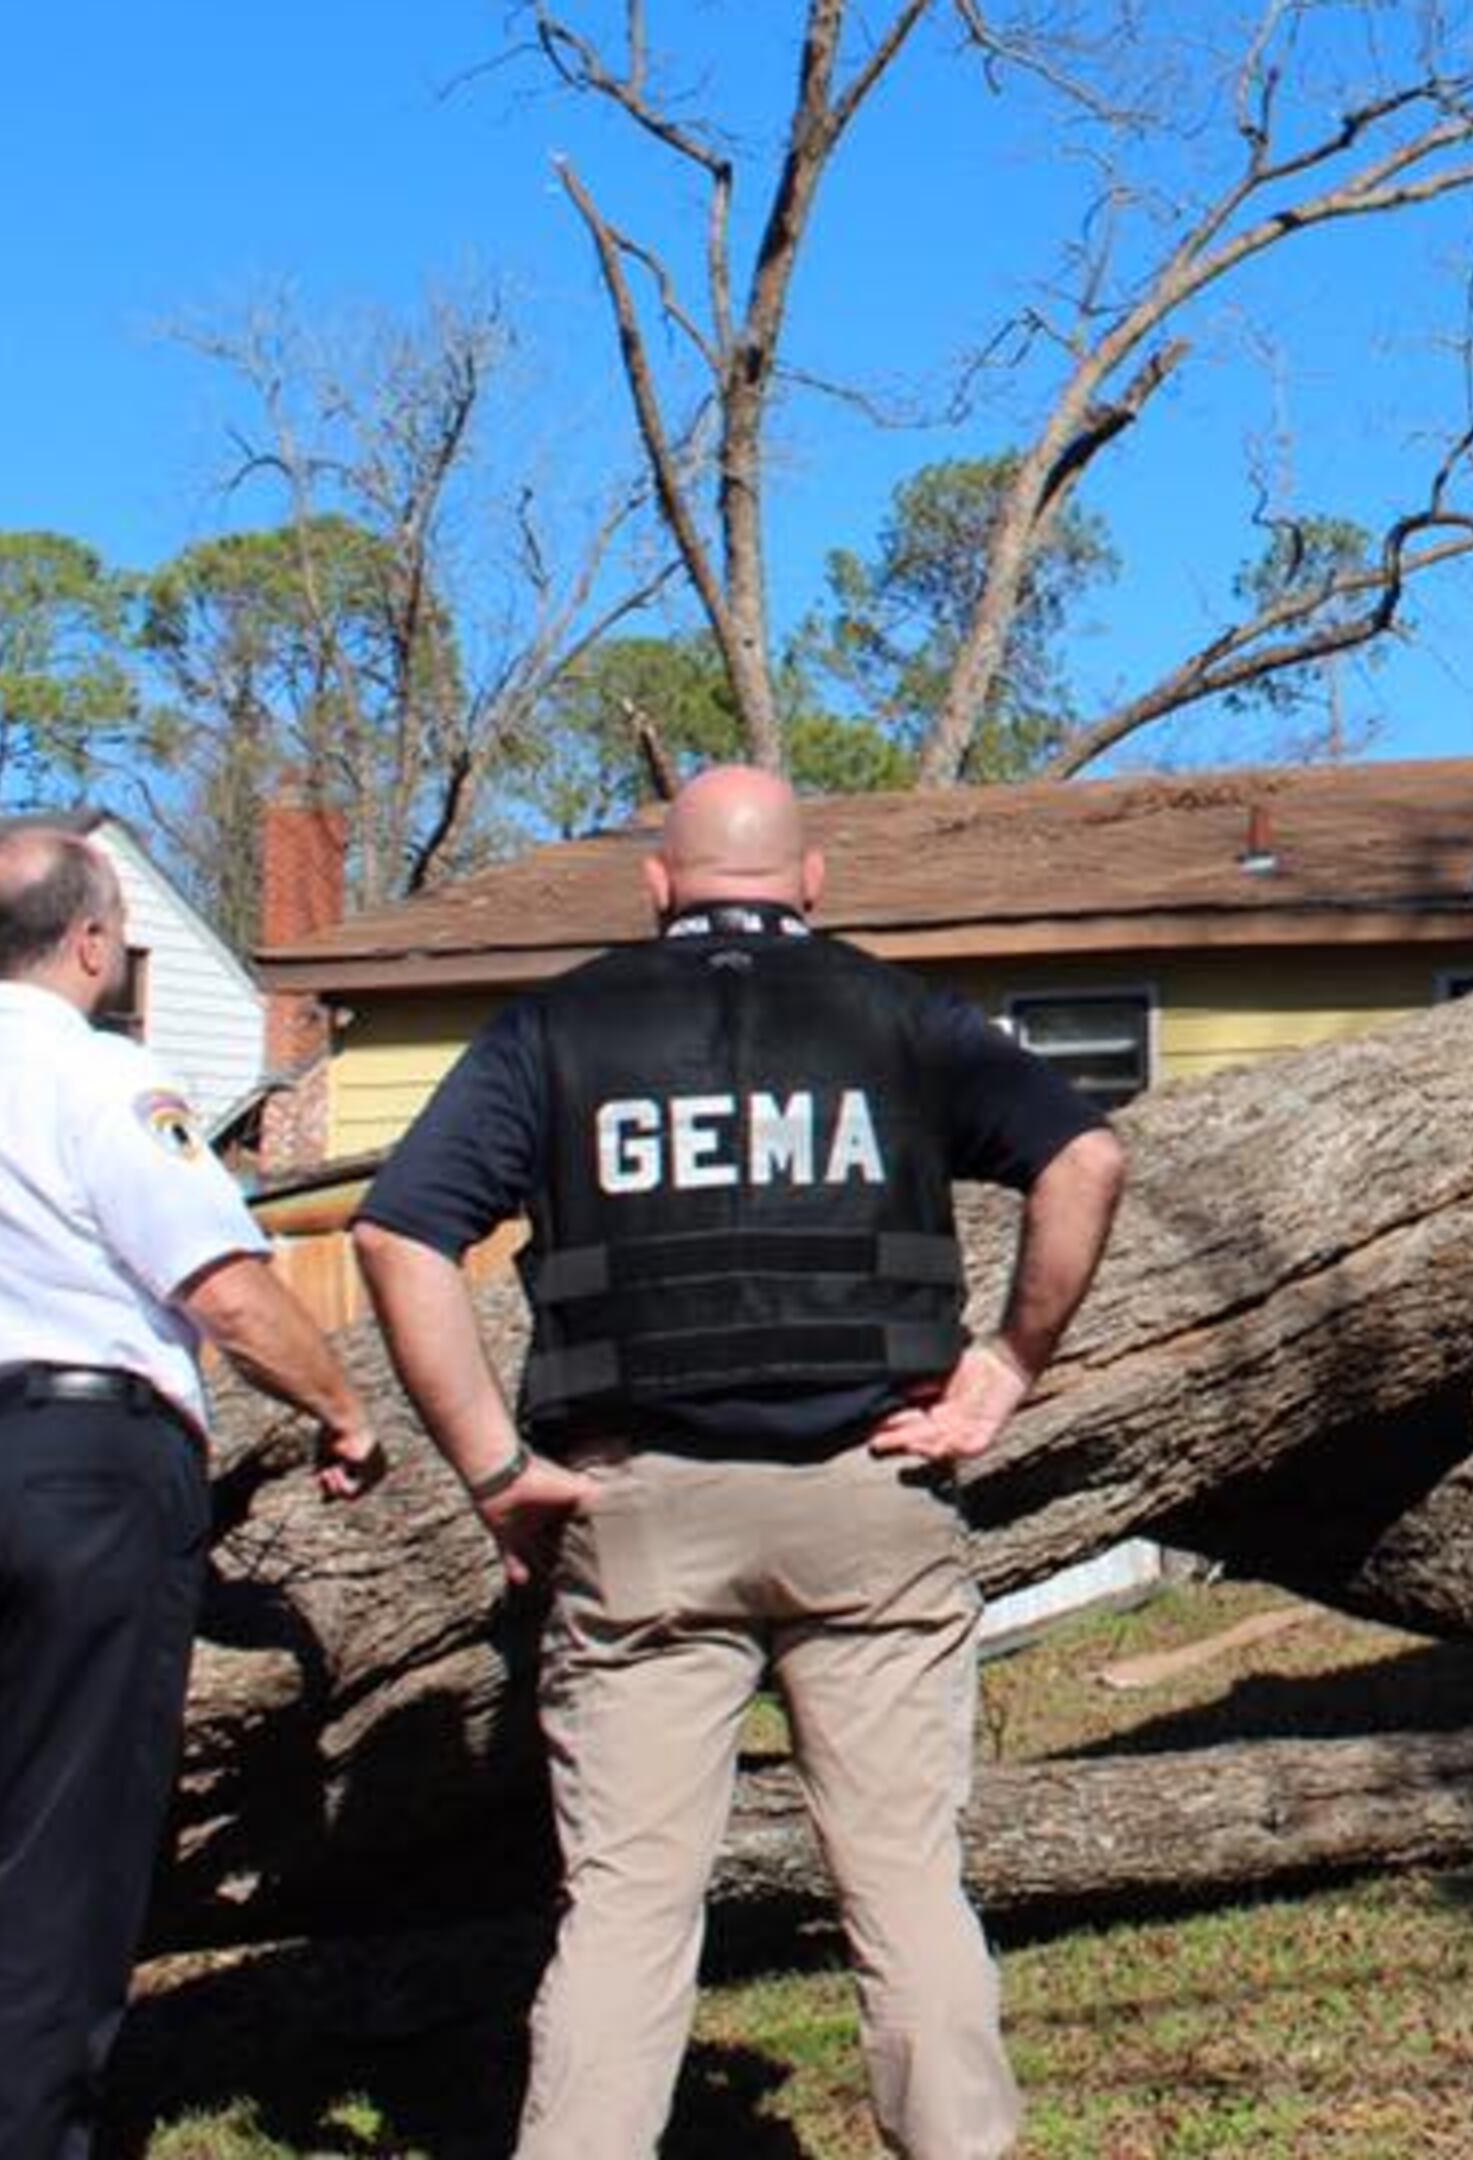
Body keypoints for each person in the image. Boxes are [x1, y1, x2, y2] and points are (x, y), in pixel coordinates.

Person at [353, 765, 1125, 2160]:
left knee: (627, 1908)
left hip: (641, 1508)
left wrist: (492, 1470)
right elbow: (1085, 1157)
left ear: (657, 888)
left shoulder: (554, 1028)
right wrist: (1007, 1366)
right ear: (812, 884)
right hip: (871, 1495)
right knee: (906, 1888)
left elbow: (398, 1232)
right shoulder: (902, 1018)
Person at [0, 828, 385, 2157]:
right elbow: (224, 1291)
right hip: (78, 1477)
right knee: (63, 1879)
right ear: (93, 942)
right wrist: (343, 1409)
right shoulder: (104, 1078)